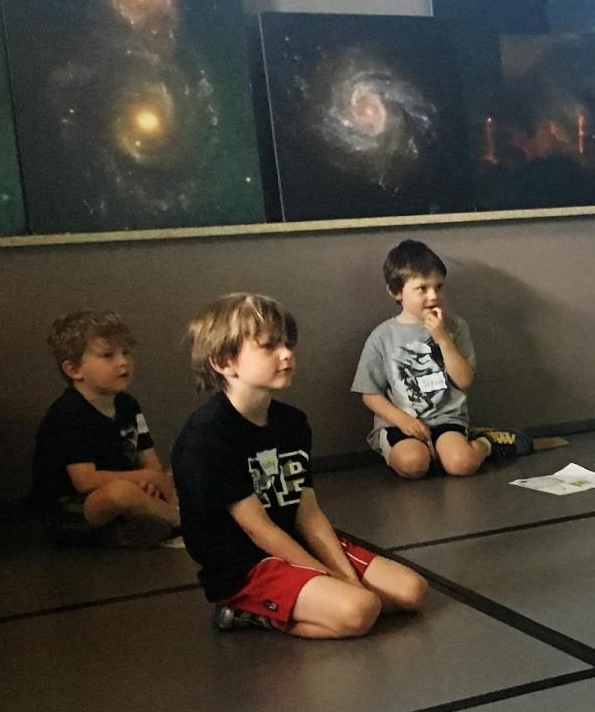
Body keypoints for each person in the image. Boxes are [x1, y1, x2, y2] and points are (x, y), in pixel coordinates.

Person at [172, 292, 428, 636]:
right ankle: (241, 611)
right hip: (245, 567)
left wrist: (344, 574)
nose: (287, 354)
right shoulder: (207, 436)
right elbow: (258, 529)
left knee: (411, 592)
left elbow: (307, 512)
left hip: (293, 543)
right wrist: (330, 578)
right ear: (224, 362)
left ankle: (325, 597)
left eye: (287, 344)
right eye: (269, 347)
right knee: (360, 611)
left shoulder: (292, 423)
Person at [353, 239, 530, 478]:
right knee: (413, 465)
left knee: (461, 464)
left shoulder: (456, 327)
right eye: (422, 289)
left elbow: (464, 380)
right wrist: (403, 420)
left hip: (447, 418)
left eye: (439, 287)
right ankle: (407, 449)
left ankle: (486, 443)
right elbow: (370, 394)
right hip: (400, 423)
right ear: (396, 292)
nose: (433, 296)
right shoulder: (383, 336)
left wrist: (442, 338)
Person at [31, 310, 178, 547]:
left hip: (127, 483)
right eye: (108, 355)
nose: (123, 362)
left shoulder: (128, 404)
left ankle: (131, 529)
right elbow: (85, 480)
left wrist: (154, 480)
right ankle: (179, 520)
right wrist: (144, 478)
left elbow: (148, 458)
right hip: (72, 506)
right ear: (74, 370)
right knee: (119, 494)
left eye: (126, 353)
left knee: (179, 472)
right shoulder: (70, 413)